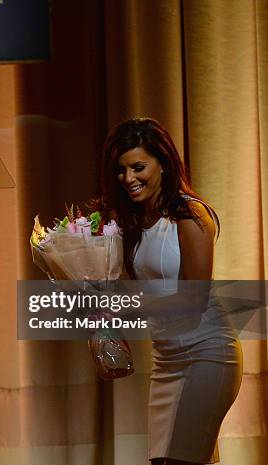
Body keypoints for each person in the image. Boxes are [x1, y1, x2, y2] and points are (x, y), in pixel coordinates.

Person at [99, 118, 242, 465]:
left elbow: (193, 301)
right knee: (167, 459)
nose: (128, 179)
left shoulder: (190, 216)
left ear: (163, 163)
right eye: (121, 170)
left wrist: (127, 308)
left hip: (207, 354)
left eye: (137, 167)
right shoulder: (130, 224)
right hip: (166, 360)